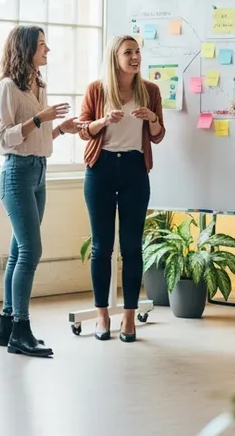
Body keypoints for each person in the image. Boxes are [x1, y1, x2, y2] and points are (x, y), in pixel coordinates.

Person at [0, 26, 81, 358]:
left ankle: (6, 324)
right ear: (26, 49)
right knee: (31, 252)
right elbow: (2, 140)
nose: (48, 50)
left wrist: (59, 128)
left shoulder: (37, 85)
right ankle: (21, 330)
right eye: (42, 45)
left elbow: (36, 138)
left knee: (19, 253)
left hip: (38, 172)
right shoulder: (7, 88)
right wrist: (40, 120)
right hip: (15, 174)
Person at [77, 35, 165, 343]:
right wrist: (103, 121)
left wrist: (152, 117)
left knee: (131, 247)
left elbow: (157, 136)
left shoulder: (150, 91)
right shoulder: (97, 89)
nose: (135, 56)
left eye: (138, 51)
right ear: (115, 57)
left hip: (134, 170)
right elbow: (83, 130)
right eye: (128, 52)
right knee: (102, 247)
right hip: (100, 169)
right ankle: (102, 316)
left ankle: (129, 318)